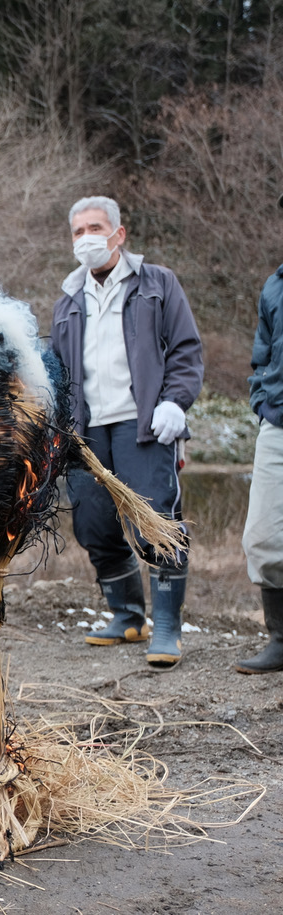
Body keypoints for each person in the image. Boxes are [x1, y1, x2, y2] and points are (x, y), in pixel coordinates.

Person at [51, 196, 203, 668]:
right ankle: (127, 615)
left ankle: (167, 628)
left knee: (155, 521)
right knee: (93, 523)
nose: (86, 238)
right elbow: (58, 372)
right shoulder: (67, 303)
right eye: (78, 231)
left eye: (95, 228)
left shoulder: (157, 284)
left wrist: (176, 402)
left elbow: (184, 348)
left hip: (144, 425)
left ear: (119, 234)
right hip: (89, 431)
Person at [236, 195, 283, 674]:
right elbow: (262, 352)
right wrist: (261, 399)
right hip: (279, 426)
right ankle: (281, 639)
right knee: (264, 538)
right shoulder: (275, 284)